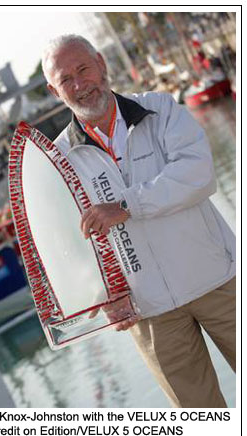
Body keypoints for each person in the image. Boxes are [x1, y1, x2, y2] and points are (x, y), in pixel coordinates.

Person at [41, 34, 236, 408]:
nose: (80, 84)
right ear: (54, 91)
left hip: (219, 280)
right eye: (66, 79)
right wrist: (101, 299)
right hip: (149, 313)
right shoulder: (59, 161)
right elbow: (67, 246)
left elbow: (199, 174)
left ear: (101, 62)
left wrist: (127, 205)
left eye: (83, 68)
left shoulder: (161, 109)